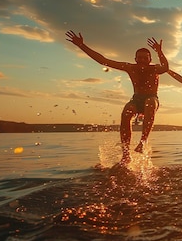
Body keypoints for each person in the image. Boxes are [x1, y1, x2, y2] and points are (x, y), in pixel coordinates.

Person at [65, 30, 169, 164]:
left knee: (149, 103)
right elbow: (103, 61)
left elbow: (165, 67)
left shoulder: (154, 69)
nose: (142, 60)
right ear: (135, 59)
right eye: (140, 57)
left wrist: (159, 51)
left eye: (145, 57)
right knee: (127, 112)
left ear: (150, 60)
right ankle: (126, 153)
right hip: (136, 99)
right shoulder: (130, 68)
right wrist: (81, 45)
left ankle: (143, 142)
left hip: (152, 98)